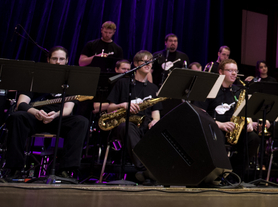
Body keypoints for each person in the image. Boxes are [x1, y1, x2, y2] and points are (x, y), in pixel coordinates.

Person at [1, 47, 89, 180]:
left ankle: (66, 171)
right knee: (16, 117)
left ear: (67, 61)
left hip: (57, 118)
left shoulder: (71, 81)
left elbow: (68, 109)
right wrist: (36, 113)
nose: (58, 62)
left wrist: (54, 115)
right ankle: (14, 169)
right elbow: (22, 103)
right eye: (54, 58)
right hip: (35, 117)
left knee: (81, 122)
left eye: (61, 59)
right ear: (48, 60)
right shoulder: (34, 76)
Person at [105, 50, 162, 181]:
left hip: (145, 123)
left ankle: (161, 169)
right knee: (128, 128)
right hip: (125, 123)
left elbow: (156, 113)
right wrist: (123, 105)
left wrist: (155, 121)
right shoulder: (123, 83)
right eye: (144, 61)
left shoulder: (153, 88)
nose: (148, 64)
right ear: (136, 64)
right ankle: (145, 169)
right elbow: (109, 108)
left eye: (150, 62)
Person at [202, 59, 262, 180]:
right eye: (230, 70)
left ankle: (234, 175)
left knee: (253, 138)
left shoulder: (238, 90)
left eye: (235, 71)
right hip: (214, 127)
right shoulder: (210, 89)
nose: (234, 73)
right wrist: (220, 124)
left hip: (233, 129)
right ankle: (216, 176)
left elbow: (244, 111)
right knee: (216, 135)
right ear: (220, 72)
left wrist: (248, 122)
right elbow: (201, 113)